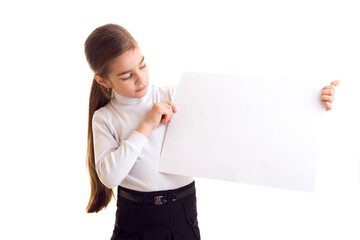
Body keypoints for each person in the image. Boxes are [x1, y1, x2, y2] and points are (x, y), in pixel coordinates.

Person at [84, 23, 339, 240]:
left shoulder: (176, 95)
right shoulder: (105, 118)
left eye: (142, 65)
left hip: (182, 212)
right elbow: (110, 177)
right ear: (103, 81)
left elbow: (243, 115)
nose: (140, 79)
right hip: (134, 217)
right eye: (127, 75)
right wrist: (147, 125)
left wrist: (310, 104)